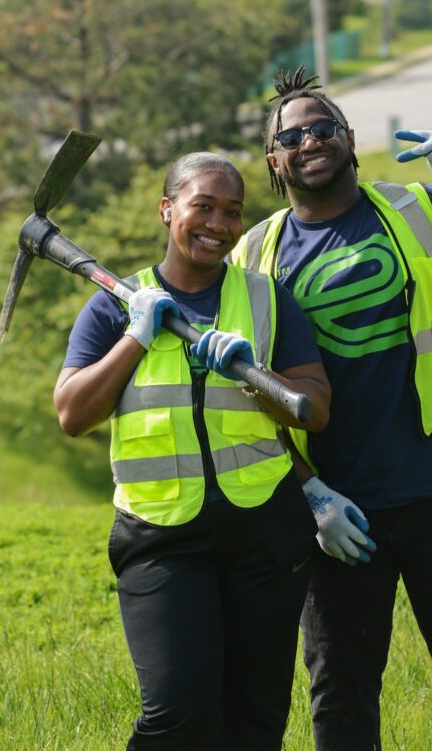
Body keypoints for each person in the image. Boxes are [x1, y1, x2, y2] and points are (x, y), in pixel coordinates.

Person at [230, 68, 432, 751]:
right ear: (274, 160)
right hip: (339, 512)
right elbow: (244, 403)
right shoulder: (252, 260)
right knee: (342, 692)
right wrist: (310, 494)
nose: (310, 141)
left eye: (323, 128)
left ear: (351, 139)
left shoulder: (418, 209)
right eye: (291, 136)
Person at [53, 151, 331, 751]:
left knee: (256, 720)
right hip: (161, 538)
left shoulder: (267, 300)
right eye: (202, 206)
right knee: (178, 715)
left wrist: (250, 373)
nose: (219, 224)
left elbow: (315, 404)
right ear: (167, 210)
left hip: (265, 532)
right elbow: (73, 414)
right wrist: (136, 337)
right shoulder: (115, 305)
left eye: (233, 212)